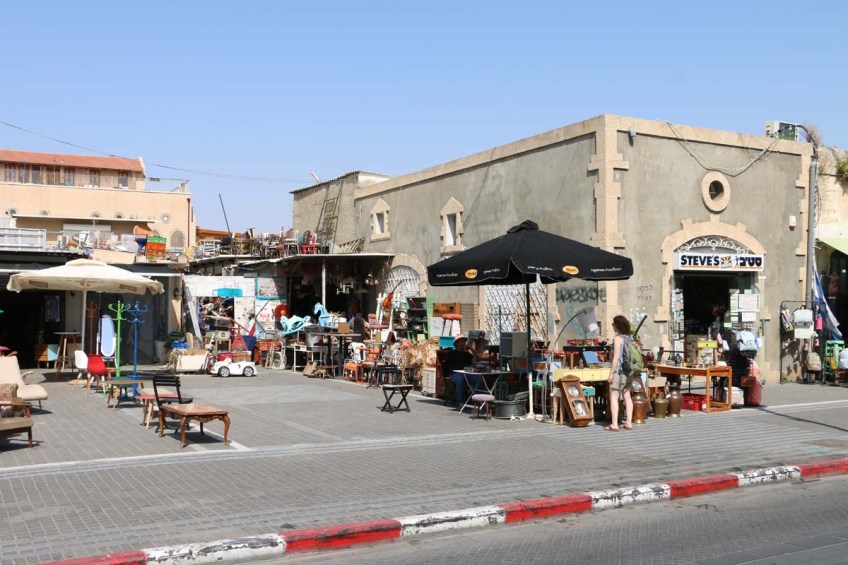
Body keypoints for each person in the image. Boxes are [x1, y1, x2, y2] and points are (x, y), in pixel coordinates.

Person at [606, 314, 635, 431]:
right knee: (627, 396)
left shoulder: (618, 338)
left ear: (617, 326)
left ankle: (614, 424)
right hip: (629, 371)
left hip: (619, 371)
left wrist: (611, 373)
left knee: (614, 396)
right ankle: (628, 422)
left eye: (613, 324)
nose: (612, 326)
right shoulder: (630, 338)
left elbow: (616, 357)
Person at [445, 337, 475, 407]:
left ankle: (476, 399)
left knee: (479, 379)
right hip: (455, 374)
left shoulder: (467, 354)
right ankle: (461, 401)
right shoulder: (451, 353)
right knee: (460, 378)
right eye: (462, 342)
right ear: (457, 343)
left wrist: (471, 349)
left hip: (467, 374)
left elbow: (476, 359)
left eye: (465, 342)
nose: (464, 343)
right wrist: (448, 373)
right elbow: (445, 363)